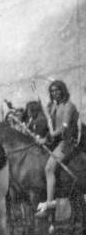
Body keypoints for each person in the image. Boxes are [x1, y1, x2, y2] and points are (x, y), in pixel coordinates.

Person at [36, 80, 79, 217]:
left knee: (49, 168)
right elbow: (50, 123)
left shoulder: (69, 106)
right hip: (56, 142)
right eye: (52, 91)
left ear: (63, 90)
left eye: (57, 90)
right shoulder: (54, 107)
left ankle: (49, 203)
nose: (54, 93)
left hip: (67, 142)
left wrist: (47, 137)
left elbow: (63, 128)